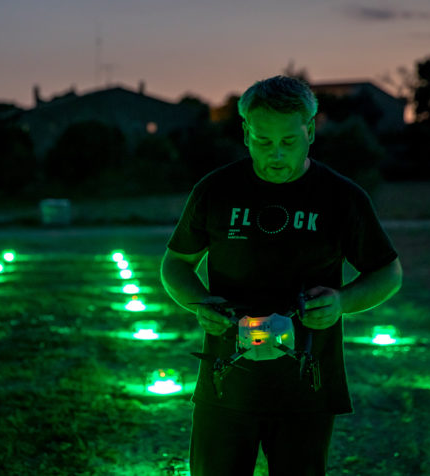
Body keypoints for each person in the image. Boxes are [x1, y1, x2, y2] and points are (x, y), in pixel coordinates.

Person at [160, 75, 403, 476]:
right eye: (262, 141)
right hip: (227, 383)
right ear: (244, 133)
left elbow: (388, 272)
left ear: (310, 131)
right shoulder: (216, 190)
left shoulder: (341, 197)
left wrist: (342, 302)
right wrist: (199, 302)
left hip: (306, 387)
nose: (274, 155)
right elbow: (175, 264)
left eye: (288, 142)